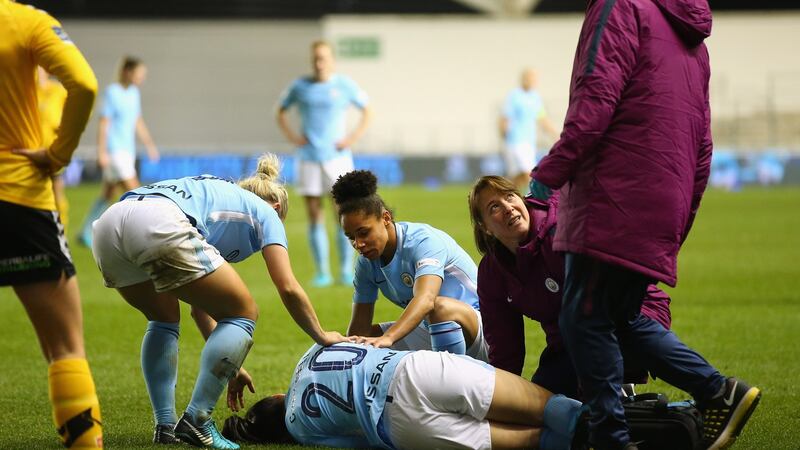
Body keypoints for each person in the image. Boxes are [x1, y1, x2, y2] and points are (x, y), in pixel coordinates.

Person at [526, 1, 760, 449]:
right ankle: (717, 391)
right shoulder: (693, 40)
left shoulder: (619, 7)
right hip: (662, 200)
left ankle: (612, 439)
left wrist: (546, 176)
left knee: (582, 318)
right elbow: (703, 145)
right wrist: (680, 219)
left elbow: (594, 102)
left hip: (614, 194)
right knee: (619, 314)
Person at [91, 154, 348, 449]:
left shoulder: (221, 201)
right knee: (244, 312)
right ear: (277, 207)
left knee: (163, 320)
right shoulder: (266, 214)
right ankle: (197, 420)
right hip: (158, 222)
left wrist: (230, 367)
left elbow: (200, 308)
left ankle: (165, 425)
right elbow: (288, 287)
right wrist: (321, 335)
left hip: (110, 225)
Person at [469, 176, 673, 399]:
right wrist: (499, 399)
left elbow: (608, 296)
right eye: (494, 207)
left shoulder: (561, 232)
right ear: (485, 228)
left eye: (510, 196)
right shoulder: (493, 273)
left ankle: (621, 383)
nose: (508, 208)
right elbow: (505, 348)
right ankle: (613, 388)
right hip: (571, 342)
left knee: (593, 394)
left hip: (631, 313)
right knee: (542, 403)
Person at [1, 2, 103, 448]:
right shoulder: (24, 21)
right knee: (65, 349)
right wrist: (59, 155)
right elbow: (84, 83)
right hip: (18, 195)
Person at [222, 342, 587, 450]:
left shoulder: (300, 429)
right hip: (414, 372)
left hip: (400, 428)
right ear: (277, 394)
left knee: (534, 440)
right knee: (545, 407)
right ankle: (612, 427)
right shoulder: (308, 353)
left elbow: (359, 442)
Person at [332, 170, 489, 361]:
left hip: (483, 329)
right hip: (434, 329)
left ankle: (452, 377)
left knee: (438, 308)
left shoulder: (423, 241)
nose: (358, 244)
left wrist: (389, 337)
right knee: (358, 341)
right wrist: (347, 346)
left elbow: (426, 299)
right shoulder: (366, 263)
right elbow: (359, 330)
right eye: (351, 237)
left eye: (364, 233)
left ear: (386, 218)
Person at [276, 40, 373, 287]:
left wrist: (352, 138)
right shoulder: (300, 86)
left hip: (337, 158)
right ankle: (322, 272)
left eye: (324, 59)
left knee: (343, 213)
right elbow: (280, 111)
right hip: (309, 157)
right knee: (314, 214)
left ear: (332, 61)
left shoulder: (344, 85)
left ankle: (345, 271)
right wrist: (293, 138)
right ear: (312, 61)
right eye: (316, 59)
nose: (320, 63)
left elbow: (367, 110)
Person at [78, 55, 159, 247]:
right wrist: (101, 152)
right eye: (139, 74)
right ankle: (143, 236)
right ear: (127, 72)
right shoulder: (112, 92)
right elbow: (104, 123)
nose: (141, 79)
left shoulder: (134, 93)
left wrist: (149, 145)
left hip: (127, 151)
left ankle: (86, 230)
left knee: (108, 194)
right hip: (115, 152)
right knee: (136, 193)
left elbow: (137, 120)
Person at [499, 68, 559, 191]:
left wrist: (556, 134)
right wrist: (503, 134)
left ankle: (503, 195)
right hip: (515, 141)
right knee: (529, 174)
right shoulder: (514, 96)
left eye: (533, 78)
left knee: (517, 178)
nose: (531, 80)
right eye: (528, 78)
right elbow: (505, 118)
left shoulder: (535, 97)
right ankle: (529, 201)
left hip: (529, 142)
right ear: (523, 79)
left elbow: (542, 118)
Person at [37, 67, 71, 233]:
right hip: (30, 151)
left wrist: (64, 128)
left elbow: (72, 113)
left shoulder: (58, 91)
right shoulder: (26, 91)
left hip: (52, 151)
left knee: (57, 191)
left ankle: (61, 228)